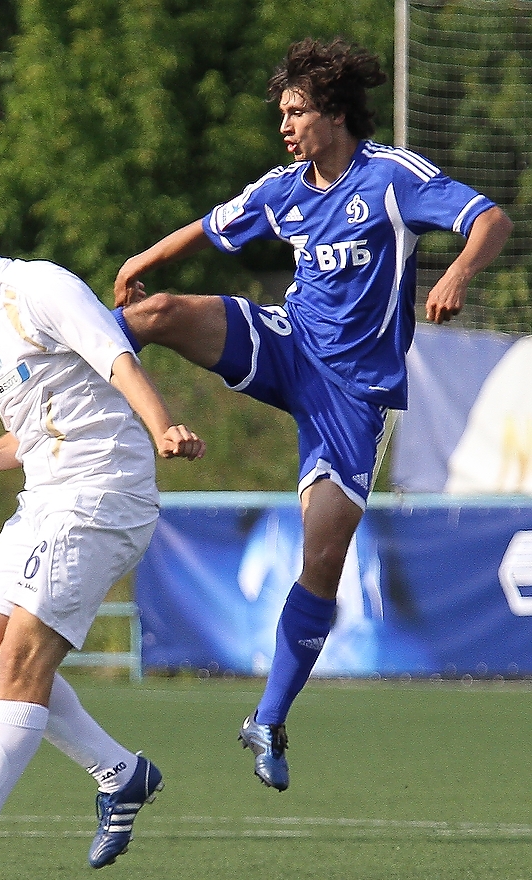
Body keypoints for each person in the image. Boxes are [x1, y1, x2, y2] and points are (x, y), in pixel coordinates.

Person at [111, 38, 513, 792]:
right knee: (158, 312)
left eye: (296, 111)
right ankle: (6, 373)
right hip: (288, 344)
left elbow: (489, 218)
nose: (285, 125)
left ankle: (266, 718)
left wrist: (458, 267)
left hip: (354, 398)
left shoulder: (390, 179)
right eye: (284, 112)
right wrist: (142, 262)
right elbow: (212, 223)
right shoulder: (284, 187)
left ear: (334, 114)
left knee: (322, 557)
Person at [0, 200, 204, 880]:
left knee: (22, 657)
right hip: (45, 498)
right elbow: (33, 433)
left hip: (102, 492)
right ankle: (121, 772)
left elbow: (114, 355)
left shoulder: (40, 287)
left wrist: (162, 426)